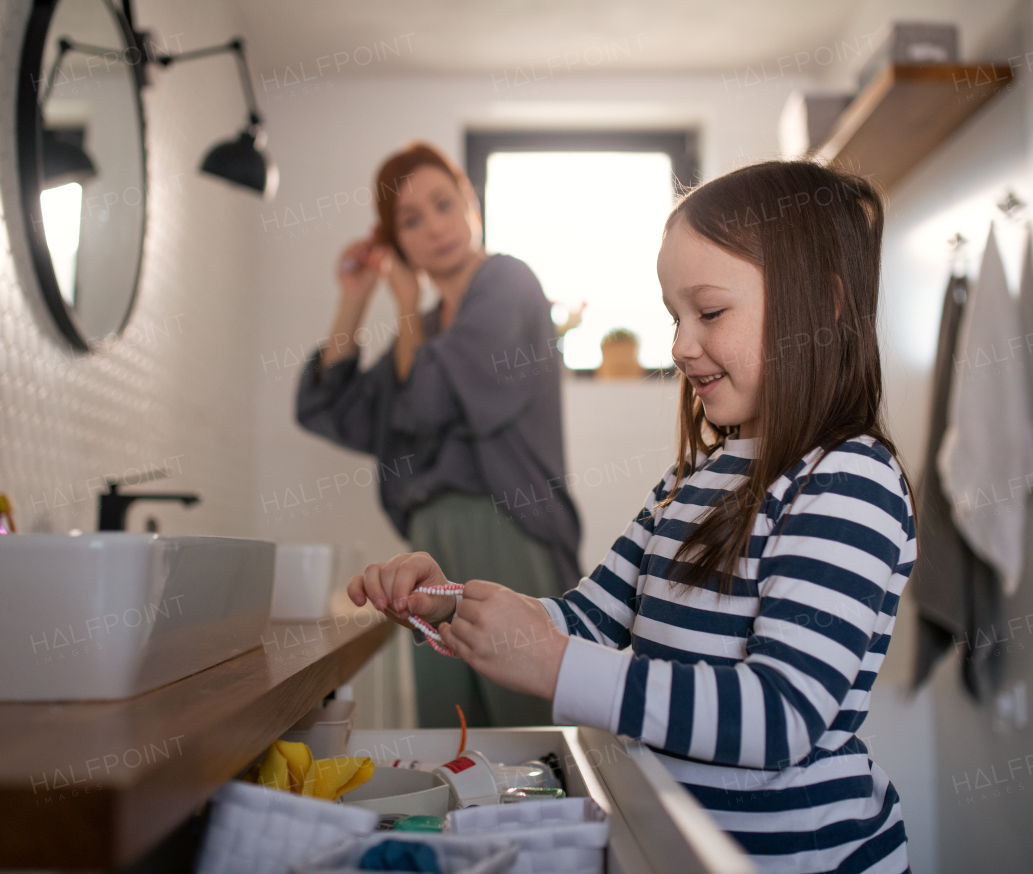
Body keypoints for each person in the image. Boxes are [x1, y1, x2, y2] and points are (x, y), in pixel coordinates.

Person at [345, 159, 917, 873]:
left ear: (825, 305)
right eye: (674, 317)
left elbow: (780, 717)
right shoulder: (691, 481)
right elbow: (585, 619)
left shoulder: (847, 480)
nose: (680, 346)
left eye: (708, 312)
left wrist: (557, 667)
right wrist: (453, 603)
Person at [295, 141, 581, 729]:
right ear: (395, 242)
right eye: (411, 220)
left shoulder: (508, 281)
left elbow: (424, 403)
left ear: (471, 203)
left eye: (444, 204)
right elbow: (332, 408)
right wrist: (355, 298)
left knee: (527, 731)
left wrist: (404, 308)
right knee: (449, 732)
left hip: (505, 526)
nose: (435, 228)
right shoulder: (422, 332)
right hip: (429, 545)